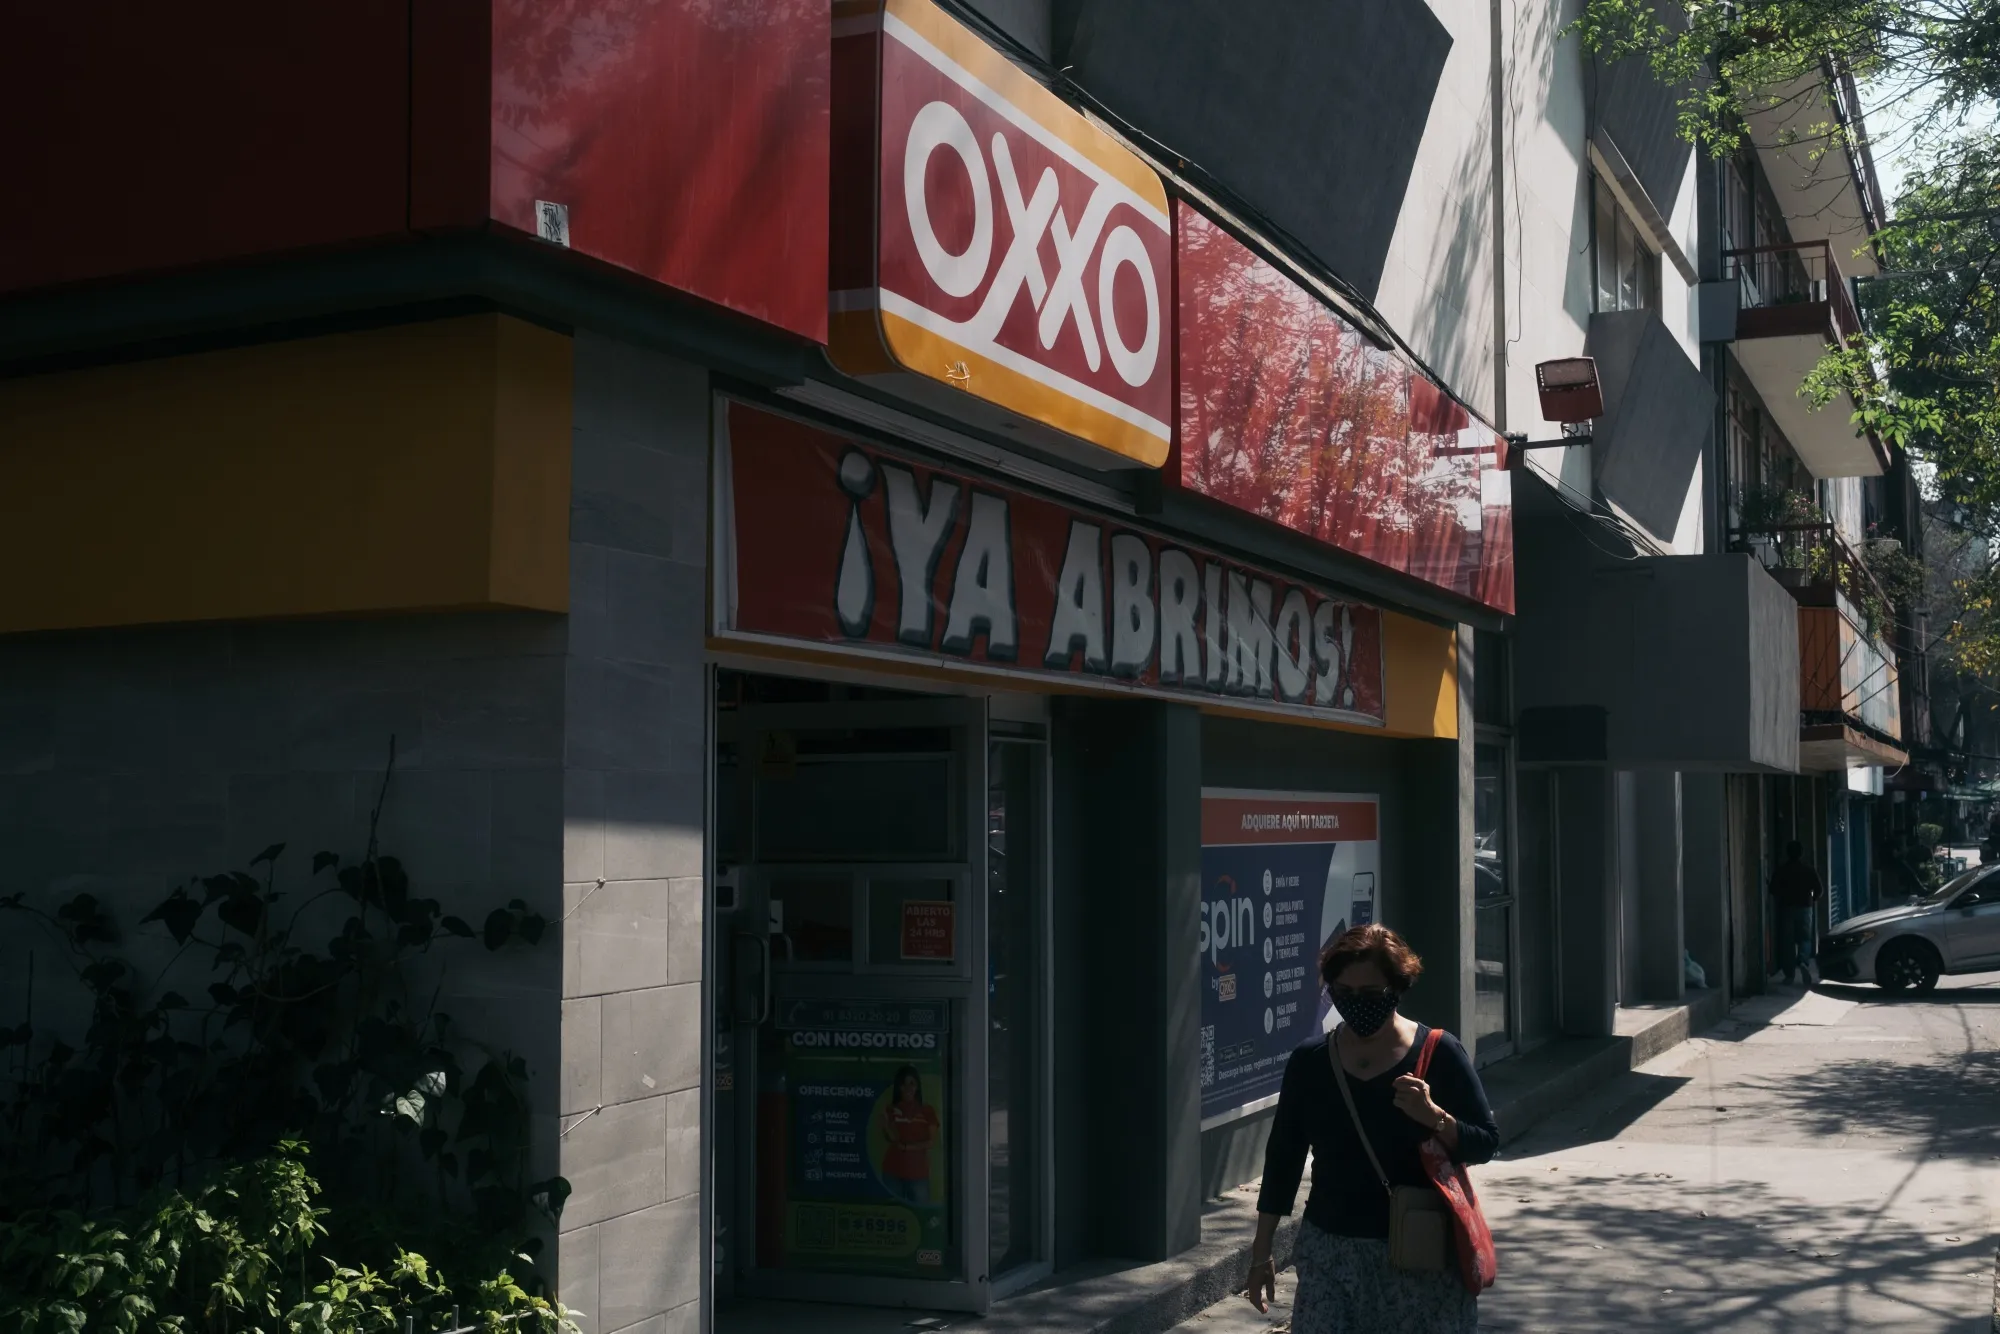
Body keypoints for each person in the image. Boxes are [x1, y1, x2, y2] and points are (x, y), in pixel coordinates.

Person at [1243, 924, 1499, 1333]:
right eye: (1344, 993)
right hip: (1329, 1249)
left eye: (1370, 995)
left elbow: (1485, 1142)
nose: (1356, 1004)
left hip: (1420, 1253)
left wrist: (1435, 1116)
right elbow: (1283, 1159)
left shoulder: (1439, 1052)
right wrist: (1261, 1253)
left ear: (1397, 988)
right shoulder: (1311, 1063)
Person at [878, 1065, 939, 1205]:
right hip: (892, 1171)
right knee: (895, 1212)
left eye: (912, 1083)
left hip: (918, 1173)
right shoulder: (891, 1109)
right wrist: (885, 1126)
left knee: (921, 1212)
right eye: (903, 1084)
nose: (908, 1088)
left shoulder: (927, 1110)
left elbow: (931, 1142)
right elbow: (892, 1139)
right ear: (898, 1087)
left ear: (917, 1086)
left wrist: (907, 1147)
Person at [1768, 840, 1823, 987]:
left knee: (1788, 943)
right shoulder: (1809, 869)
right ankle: (1803, 961)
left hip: (1787, 908)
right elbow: (1819, 889)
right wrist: (1812, 899)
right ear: (1801, 853)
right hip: (1805, 907)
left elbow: (1773, 889)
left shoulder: (1782, 870)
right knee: (1805, 939)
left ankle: (1789, 975)